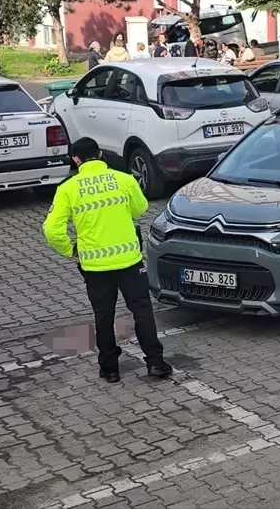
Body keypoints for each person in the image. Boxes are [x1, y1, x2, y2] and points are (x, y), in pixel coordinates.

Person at [42, 138, 173, 383]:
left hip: (95, 267)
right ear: (100, 154)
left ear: (76, 159)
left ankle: (110, 368)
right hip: (129, 262)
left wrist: (70, 250)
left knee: (104, 316)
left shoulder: (68, 188)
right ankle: (155, 362)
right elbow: (140, 208)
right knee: (142, 311)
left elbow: (52, 229)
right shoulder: (124, 179)